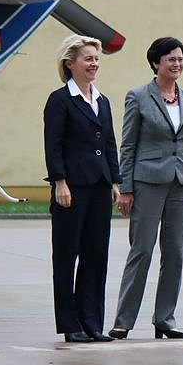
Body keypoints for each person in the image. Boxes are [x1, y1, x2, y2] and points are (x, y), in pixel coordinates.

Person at [107, 37, 183, 340]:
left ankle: (165, 319)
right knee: (142, 251)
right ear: (155, 63)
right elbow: (129, 145)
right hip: (147, 183)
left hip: (182, 183)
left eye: (180, 59)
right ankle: (123, 320)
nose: (177, 64)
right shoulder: (138, 96)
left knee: (174, 252)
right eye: (171, 59)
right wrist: (126, 187)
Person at [44, 34, 121, 343]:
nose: (94, 64)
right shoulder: (60, 100)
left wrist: (115, 181)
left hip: (100, 187)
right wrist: (59, 181)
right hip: (72, 187)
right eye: (88, 59)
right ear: (70, 63)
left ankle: (92, 323)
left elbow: (111, 144)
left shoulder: (102, 100)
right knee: (67, 254)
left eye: (96, 59)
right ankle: (70, 323)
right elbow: (54, 145)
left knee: (96, 254)